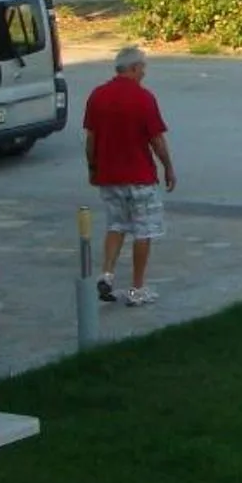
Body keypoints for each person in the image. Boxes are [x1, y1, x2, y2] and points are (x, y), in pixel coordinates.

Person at [84, 46, 175, 307]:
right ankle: (137, 288)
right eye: (142, 68)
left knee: (116, 225)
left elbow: (91, 139)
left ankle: (107, 275)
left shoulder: (97, 96)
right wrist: (168, 167)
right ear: (134, 68)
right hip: (139, 176)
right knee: (142, 230)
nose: (144, 73)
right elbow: (156, 140)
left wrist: (93, 168)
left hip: (109, 175)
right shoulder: (143, 98)